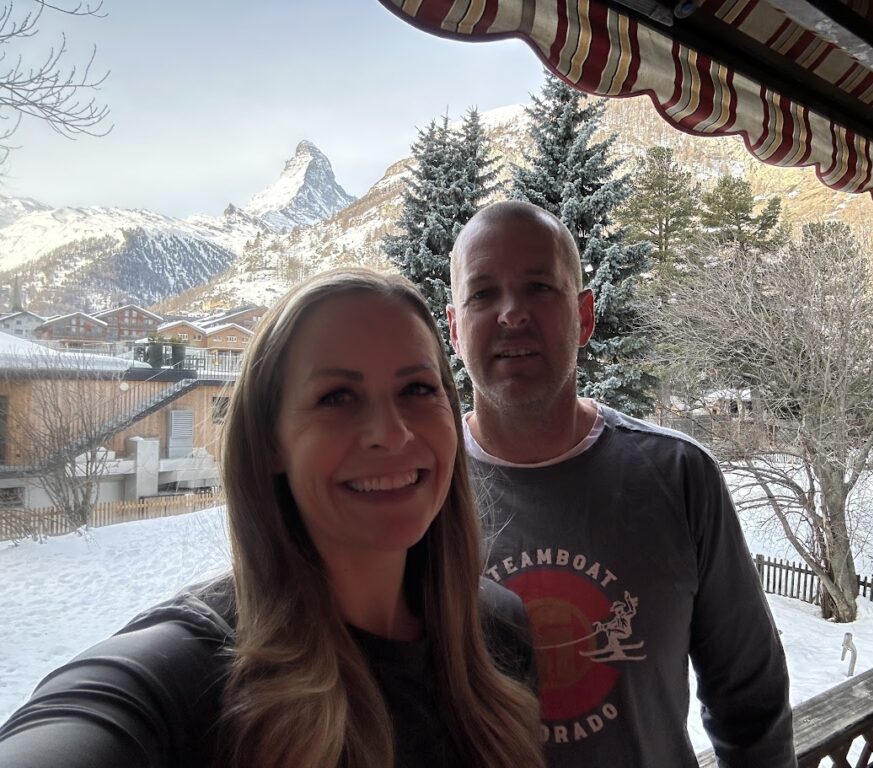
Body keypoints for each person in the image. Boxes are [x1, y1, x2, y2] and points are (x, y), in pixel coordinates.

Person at [0, 268, 543, 768]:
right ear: (268, 443)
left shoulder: (497, 631)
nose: (392, 433)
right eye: (337, 397)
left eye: (418, 389)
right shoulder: (189, 675)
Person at [446, 200, 797, 768]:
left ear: (584, 316)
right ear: (455, 329)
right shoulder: (421, 490)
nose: (511, 313)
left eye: (539, 286)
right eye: (483, 293)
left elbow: (749, 697)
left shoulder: (680, 477)